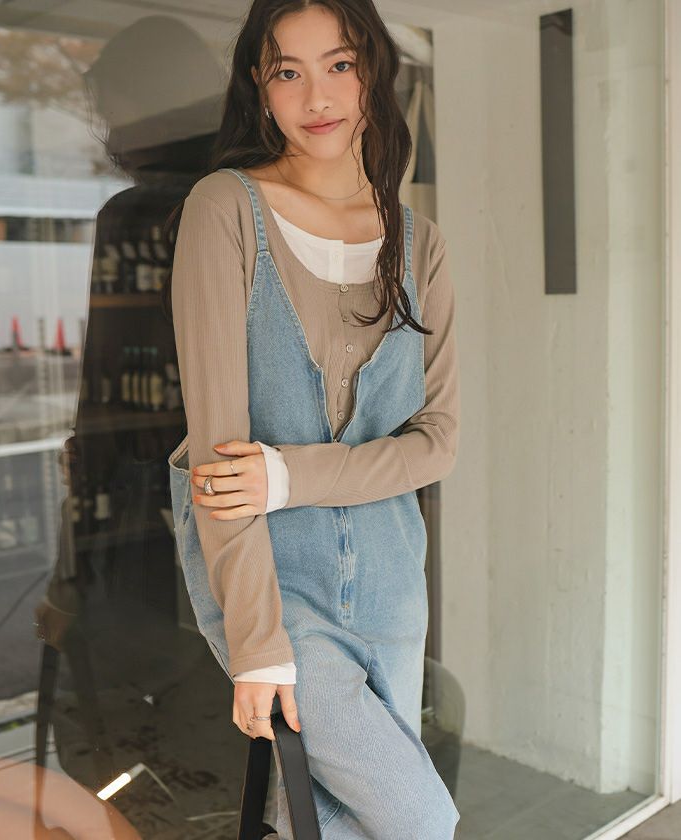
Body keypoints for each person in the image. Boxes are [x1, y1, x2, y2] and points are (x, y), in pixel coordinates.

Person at [165, 0, 461, 836]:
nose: (316, 95)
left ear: (374, 73)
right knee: (419, 821)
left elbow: (437, 442)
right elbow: (219, 464)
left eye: (339, 64)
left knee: (335, 827)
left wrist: (287, 474)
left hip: (393, 583)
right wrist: (256, 641)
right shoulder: (226, 209)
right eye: (287, 71)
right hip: (277, 587)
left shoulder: (420, 243)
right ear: (259, 89)